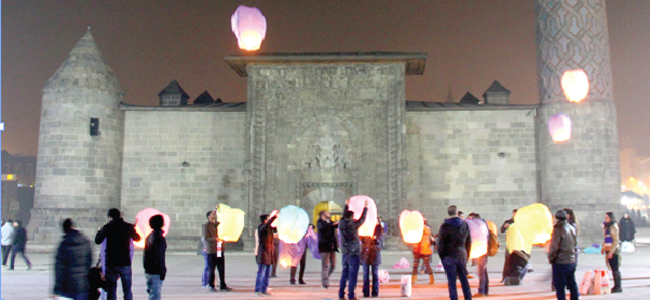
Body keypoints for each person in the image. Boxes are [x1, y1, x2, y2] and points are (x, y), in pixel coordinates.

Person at [95, 208, 141, 300]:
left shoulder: (107, 227)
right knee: (127, 289)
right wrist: (133, 230)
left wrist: (99, 230)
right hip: (125, 262)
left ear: (110, 217)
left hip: (111, 262)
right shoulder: (127, 226)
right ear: (120, 215)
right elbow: (137, 238)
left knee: (111, 291)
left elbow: (98, 240)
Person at [436, 205, 472, 300]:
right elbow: (469, 242)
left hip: (449, 256)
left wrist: (442, 257)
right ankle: (468, 298)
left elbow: (440, 244)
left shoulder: (444, 226)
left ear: (448, 213)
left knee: (451, 282)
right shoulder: (465, 225)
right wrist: (467, 255)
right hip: (462, 254)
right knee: (464, 280)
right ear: (457, 213)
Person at [53, 219, 93, 300]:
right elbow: (89, 263)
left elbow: (59, 269)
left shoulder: (63, 245)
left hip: (67, 287)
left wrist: (57, 289)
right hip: (82, 285)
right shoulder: (85, 242)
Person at [338, 198, 368, 300]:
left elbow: (344, 215)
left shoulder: (341, 223)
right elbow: (362, 219)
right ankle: (351, 295)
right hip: (354, 253)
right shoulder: (353, 225)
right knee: (352, 275)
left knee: (344, 273)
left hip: (345, 253)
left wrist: (346, 205)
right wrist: (366, 208)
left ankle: (341, 294)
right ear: (352, 217)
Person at [548, 210, 578, 300]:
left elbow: (555, 246)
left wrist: (551, 257)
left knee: (560, 286)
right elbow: (575, 244)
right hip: (571, 260)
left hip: (561, 261)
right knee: (572, 284)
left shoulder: (558, 228)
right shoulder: (571, 227)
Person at [203, 210, 231, 292]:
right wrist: (215, 239)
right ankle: (211, 285)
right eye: (212, 214)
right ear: (209, 216)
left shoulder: (218, 224)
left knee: (221, 268)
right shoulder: (207, 226)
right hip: (212, 250)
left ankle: (223, 284)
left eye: (214, 214)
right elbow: (206, 238)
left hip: (220, 249)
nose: (214, 215)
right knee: (211, 269)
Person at [255, 211, 278, 297]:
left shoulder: (269, 229)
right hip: (263, 253)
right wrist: (273, 217)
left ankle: (264, 289)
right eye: (268, 219)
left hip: (269, 253)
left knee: (267, 274)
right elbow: (266, 226)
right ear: (265, 220)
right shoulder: (262, 227)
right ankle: (257, 290)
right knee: (261, 273)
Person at [143, 215, 167, 300]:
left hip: (149, 270)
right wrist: (162, 270)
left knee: (152, 293)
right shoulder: (159, 238)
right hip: (155, 271)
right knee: (155, 295)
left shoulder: (149, 237)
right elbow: (159, 255)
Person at [317, 209, 339, 289]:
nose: (328, 214)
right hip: (324, 247)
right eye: (327, 213)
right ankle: (325, 283)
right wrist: (332, 224)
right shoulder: (320, 222)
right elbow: (324, 227)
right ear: (322, 215)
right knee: (325, 266)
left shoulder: (330, 222)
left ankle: (325, 277)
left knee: (333, 266)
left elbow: (336, 225)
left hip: (332, 247)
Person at [360, 220, 383, 298]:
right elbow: (361, 240)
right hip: (366, 254)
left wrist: (375, 239)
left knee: (375, 274)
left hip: (375, 253)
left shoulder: (378, 229)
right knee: (365, 274)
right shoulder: (365, 228)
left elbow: (380, 241)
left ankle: (375, 292)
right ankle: (366, 292)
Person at [602, 211, 622, 293]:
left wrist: (611, 251)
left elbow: (616, 240)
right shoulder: (607, 227)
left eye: (607, 217)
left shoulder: (613, 227)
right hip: (608, 249)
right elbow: (606, 239)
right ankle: (616, 285)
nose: (605, 219)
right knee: (613, 268)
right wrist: (603, 248)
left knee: (615, 269)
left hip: (613, 251)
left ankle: (618, 286)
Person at [470, 214, 489, 298]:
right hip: (485, 249)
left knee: (481, 271)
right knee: (483, 270)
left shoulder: (478, 225)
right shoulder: (484, 224)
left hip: (480, 250)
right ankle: (485, 290)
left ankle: (481, 291)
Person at [412, 219, 434, 285]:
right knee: (427, 265)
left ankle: (414, 279)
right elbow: (431, 240)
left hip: (420, 249)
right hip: (425, 250)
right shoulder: (427, 229)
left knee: (416, 265)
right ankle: (432, 279)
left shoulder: (419, 229)